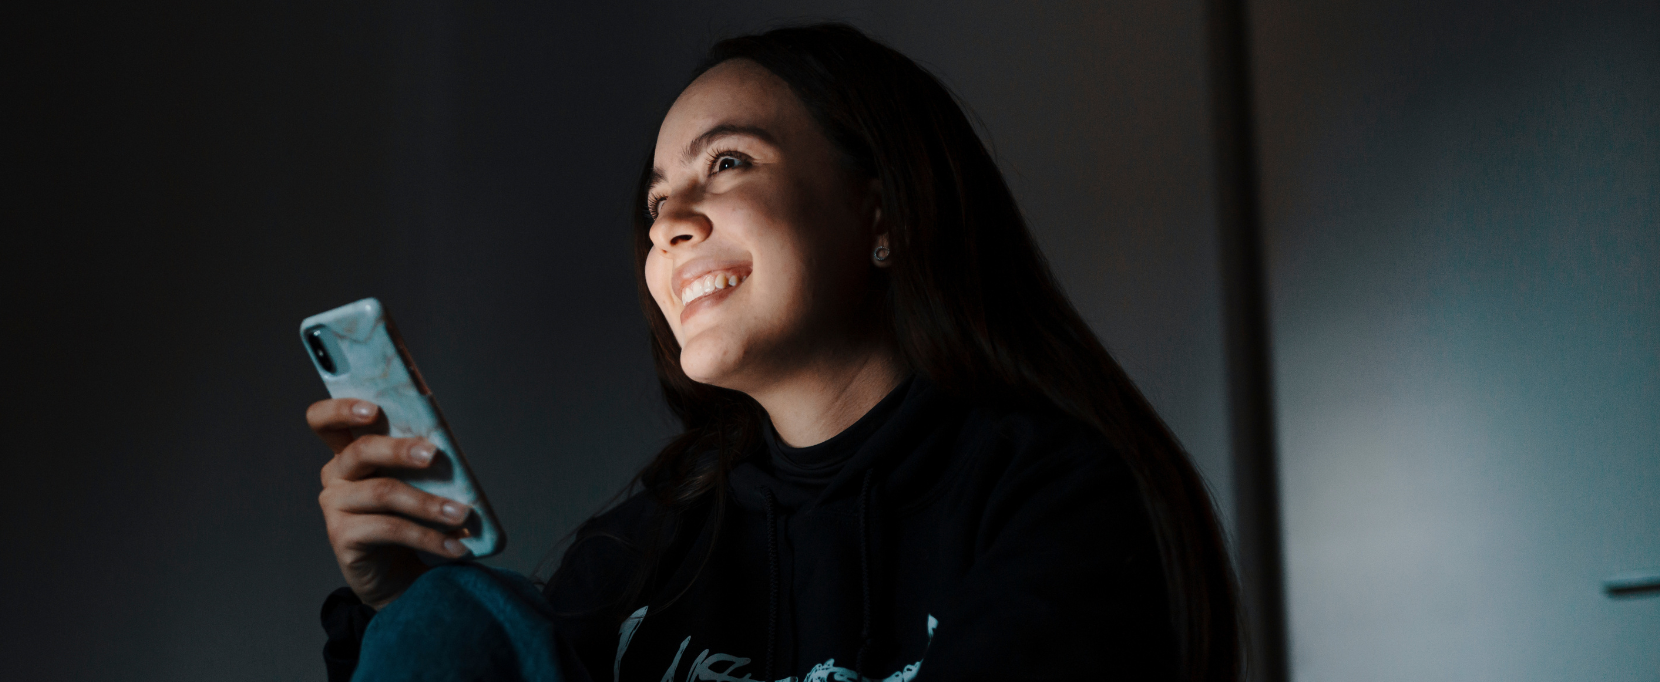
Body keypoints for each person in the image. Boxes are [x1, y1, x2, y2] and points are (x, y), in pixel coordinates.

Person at [308, 23, 1241, 682]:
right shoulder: (653, 545)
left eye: (727, 163)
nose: (670, 224)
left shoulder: (1056, 499)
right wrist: (399, 610)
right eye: (653, 204)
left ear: (880, 211)